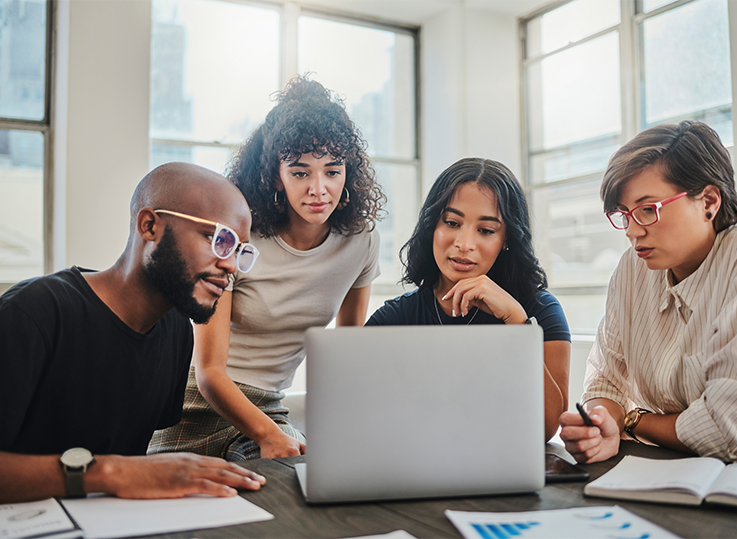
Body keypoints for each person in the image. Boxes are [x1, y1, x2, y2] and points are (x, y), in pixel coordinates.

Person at [148, 76, 385, 460]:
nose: (319, 189)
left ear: (349, 171)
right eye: (300, 171)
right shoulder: (239, 240)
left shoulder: (361, 243)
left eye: (333, 170)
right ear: (275, 174)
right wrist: (270, 436)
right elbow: (209, 372)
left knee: (303, 486)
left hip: (269, 407)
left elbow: (347, 355)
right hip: (196, 405)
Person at [0, 162, 267, 503]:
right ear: (149, 225)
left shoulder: (176, 332)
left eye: (239, 250)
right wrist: (108, 473)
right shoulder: (34, 312)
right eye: (218, 239)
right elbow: (123, 471)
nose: (230, 265)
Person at [559, 121, 737, 464]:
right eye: (624, 214)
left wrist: (633, 419)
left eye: (647, 210)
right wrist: (602, 424)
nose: (630, 231)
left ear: (709, 202)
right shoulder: (632, 269)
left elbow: (725, 431)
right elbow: (604, 385)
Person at [366, 158, 571, 441]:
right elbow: (364, 421)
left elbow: (546, 429)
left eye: (486, 230)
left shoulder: (540, 310)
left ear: (506, 239)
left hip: (504, 471)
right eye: (452, 223)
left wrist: (517, 322)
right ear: (431, 227)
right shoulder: (392, 319)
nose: (464, 244)